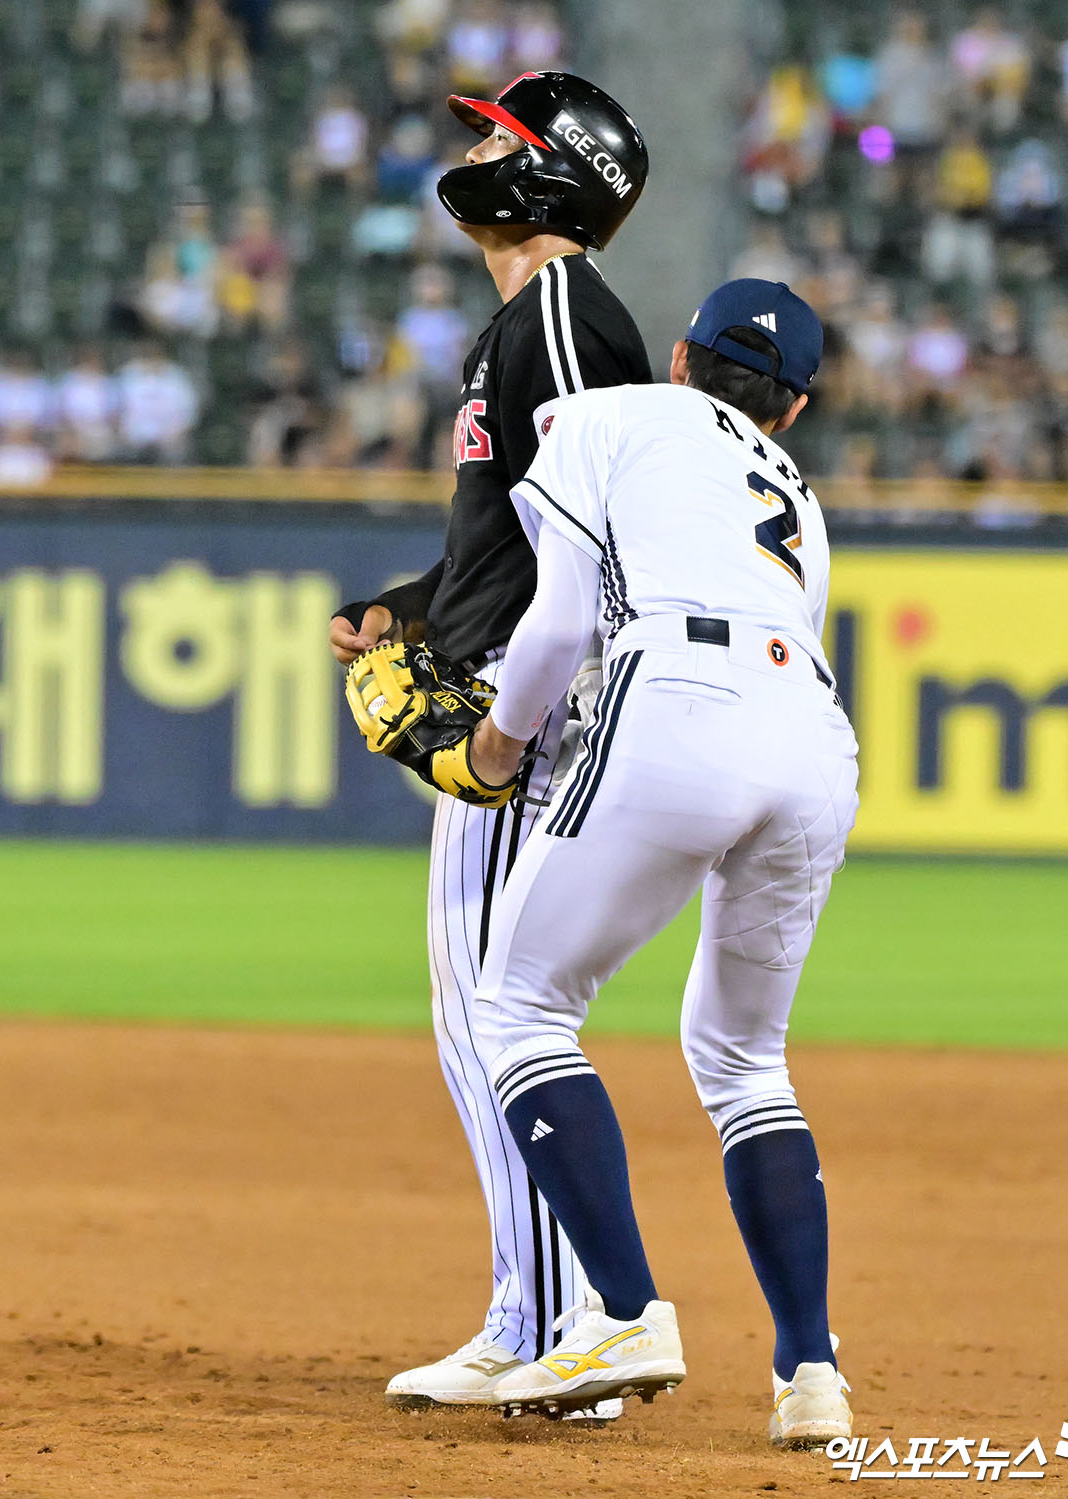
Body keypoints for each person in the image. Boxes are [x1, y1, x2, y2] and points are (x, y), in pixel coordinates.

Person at [460, 279, 859, 1448]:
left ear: (680, 355)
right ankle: (812, 1370)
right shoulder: (800, 495)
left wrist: (496, 745)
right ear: (791, 411)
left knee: (521, 1007)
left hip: (680, 696)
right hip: (815, 735)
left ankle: (626, 1312)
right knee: (746, 1059)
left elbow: (559, 619)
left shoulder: (614, 414)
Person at [329, 70, 651, 1415]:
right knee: (493, 1015)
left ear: (551, 174)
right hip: (507, 679)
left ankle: (550, 1323)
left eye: (495, 137)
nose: (470, 152)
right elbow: (520, 537)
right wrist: (407, 611)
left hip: (530, 709)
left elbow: (610, 517)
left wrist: (535, 704)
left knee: (494, 1015)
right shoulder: (517, 320)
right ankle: (555, 1316)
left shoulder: (565, 312)